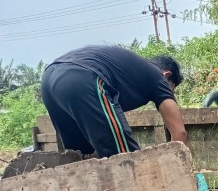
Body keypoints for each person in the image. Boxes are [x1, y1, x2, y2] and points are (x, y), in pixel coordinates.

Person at [41, 45, 187, 158]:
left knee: (83, 158)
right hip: (84, 76)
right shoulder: (158, 77)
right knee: (126, 161)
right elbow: (179, 133)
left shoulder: (129, 71)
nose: (168, 93)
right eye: (171, 89)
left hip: (49, 80)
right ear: (167, 74)